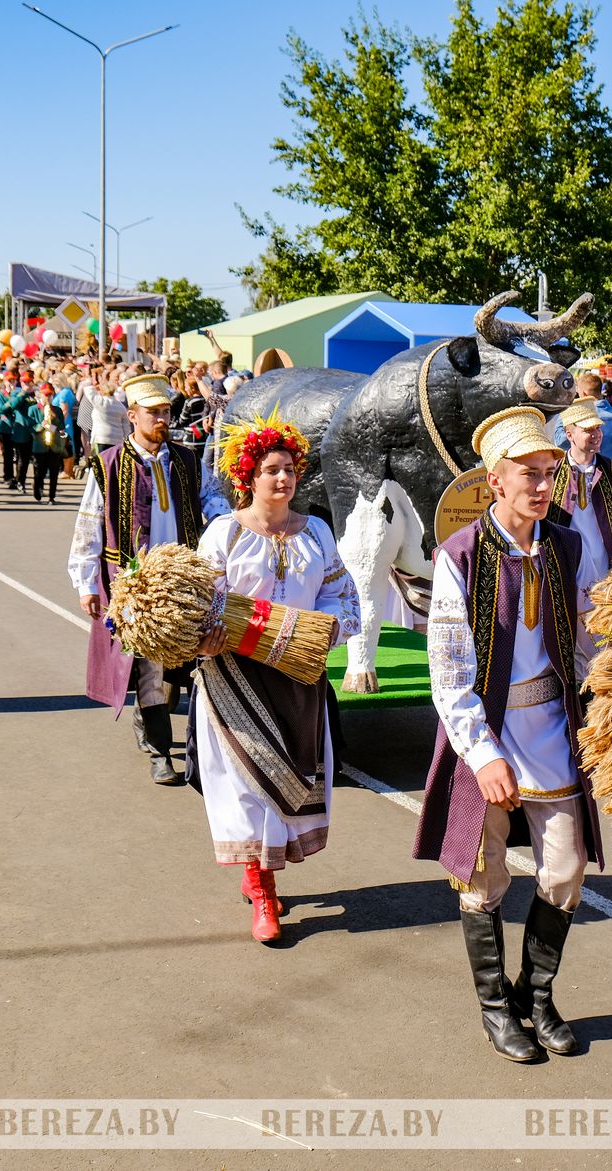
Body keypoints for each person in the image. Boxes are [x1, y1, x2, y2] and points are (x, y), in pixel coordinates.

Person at [417, 406, 605, 1063]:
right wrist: (481, 752)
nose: (543, 483)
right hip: (489, 731)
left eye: (550, 471)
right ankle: (498, 1009)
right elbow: (448, 674)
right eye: (530, 472)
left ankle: (537, 996)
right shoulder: (460, 556)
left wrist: (609, 688)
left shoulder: (566, 544)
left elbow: (585, 641)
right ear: (495, 480)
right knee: (482, 875)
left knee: (566, 865)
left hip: (552, 723)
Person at [191, 415, 361, 943]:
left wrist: (327, 627)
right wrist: (209, 634)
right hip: (234, 679)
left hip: (298, 675)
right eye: (270, 470)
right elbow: (197, 603)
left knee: (291, 776)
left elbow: (344, 596)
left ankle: (263, 873)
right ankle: (261, 890)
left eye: (288, 469)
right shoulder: (225, 534)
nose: (282, 479)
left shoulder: (316, 532)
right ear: (249, 476)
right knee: (246, 785)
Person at [69, 375, 207, 786]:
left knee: (182, 665)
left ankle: (152, 729)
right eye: (154, 413)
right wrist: (85, 583)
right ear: (132, 416)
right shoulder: (107, 464)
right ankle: (161, 753)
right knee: (149, 668)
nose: (163, 418)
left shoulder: (185, 459)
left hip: (182, 580)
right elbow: (88, 525)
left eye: (166, 411)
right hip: (133, 584)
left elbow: (214, 503)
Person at [549, 397, 612, 669]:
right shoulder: (552, 470)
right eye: (588, 430)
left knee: (604, 633)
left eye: (598, 429)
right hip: (567, 566)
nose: (596, 435)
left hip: (604, 565)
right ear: (569, 434)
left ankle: (601, 683)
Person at [549, 374, 612, 462]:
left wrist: (563, 415)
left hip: (589, 471)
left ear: (583, 393)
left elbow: (560, 442)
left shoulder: (580, 417)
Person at [28, 382, 67, 503]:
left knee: (54, 472)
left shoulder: (57, 410)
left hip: (54, 445)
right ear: (40, 395)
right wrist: (41, 426)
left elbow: (62, 427)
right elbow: (30, 427)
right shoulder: (33, 409)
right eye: (45, 395)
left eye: (50, 395)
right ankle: (37, 489)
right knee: (39, 471)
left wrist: (54, 419)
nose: (48, 397)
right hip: (40, 445)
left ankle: (52, 497)